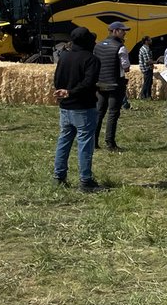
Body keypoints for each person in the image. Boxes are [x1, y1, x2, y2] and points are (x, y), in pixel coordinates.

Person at [52, 27, 103, 192]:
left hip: (66, 106)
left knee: (64, 141)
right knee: (85, 144)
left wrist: (64, 91)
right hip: (83, 106)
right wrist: (72, 91)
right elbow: (89, 83)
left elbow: (57, 78)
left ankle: (59, 177)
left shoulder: (64, 57)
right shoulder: (92, 59)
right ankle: (85, 181)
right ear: (88, 41)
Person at [94, 21, 131, 151]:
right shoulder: (120, 47)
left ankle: (94, 142)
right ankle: (110, 143)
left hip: (100, 83)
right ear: (115, 31)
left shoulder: (98, 46)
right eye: (122, 30)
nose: (124, 33)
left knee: (99, 112)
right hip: (115, 84)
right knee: (113, 113)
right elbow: (126, 67)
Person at [137, 35, 154, 100]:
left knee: (148, 82)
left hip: (146, 68)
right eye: (150, 40)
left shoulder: (144, 48)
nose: (151, 41)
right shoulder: (145, 49)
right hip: (146, 68)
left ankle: (148, 96)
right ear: (146, 41)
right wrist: (156, 62)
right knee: (147, 82)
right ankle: (143, 95)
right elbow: (147, 61)